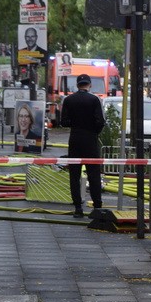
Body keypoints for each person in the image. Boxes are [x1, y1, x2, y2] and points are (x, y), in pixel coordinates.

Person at [60, 73, 105, 218]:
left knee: (74, 175)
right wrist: (94, 131)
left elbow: (64, 122)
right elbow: (100, 121)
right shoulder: (94, 100)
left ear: (77, 85)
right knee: (93, 174)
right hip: (90, 139)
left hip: (75, 139)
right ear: (89, 84)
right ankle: (97, 207)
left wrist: (75, 124)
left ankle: (78, 208)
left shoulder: (68, 100)